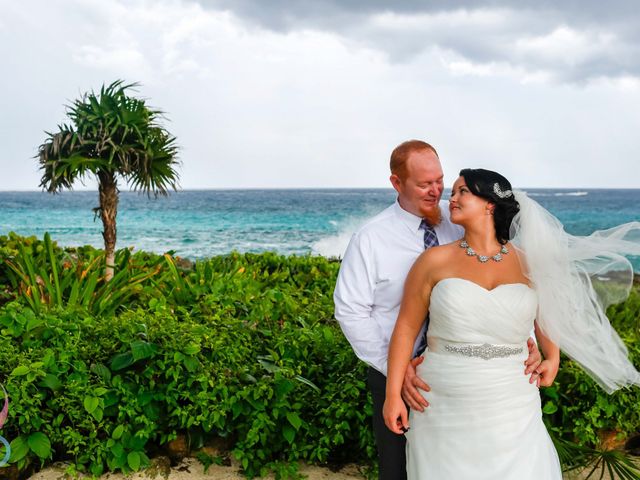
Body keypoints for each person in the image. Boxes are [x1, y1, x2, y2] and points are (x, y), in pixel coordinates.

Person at [383, 168, 640, 479]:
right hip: (442, 396)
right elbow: (406, 328)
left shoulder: (531, 261)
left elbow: (549, 313)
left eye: (463, 191)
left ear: (490, 203)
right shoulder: (433, 261)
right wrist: (393, 395)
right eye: (453, 191)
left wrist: (552, 355)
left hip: (513, 396)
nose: (452, 198)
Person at [334, 144, 543, 480]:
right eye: (423, 184)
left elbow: (501, 283)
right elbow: (351, 312)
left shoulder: (460, 217)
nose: (437, 192)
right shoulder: (371, 238)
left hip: (474, 380)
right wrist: (397, 372)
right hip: (393, 371)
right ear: (397, 183)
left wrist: (525, 340)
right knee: (400, 469)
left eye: (440, 181)